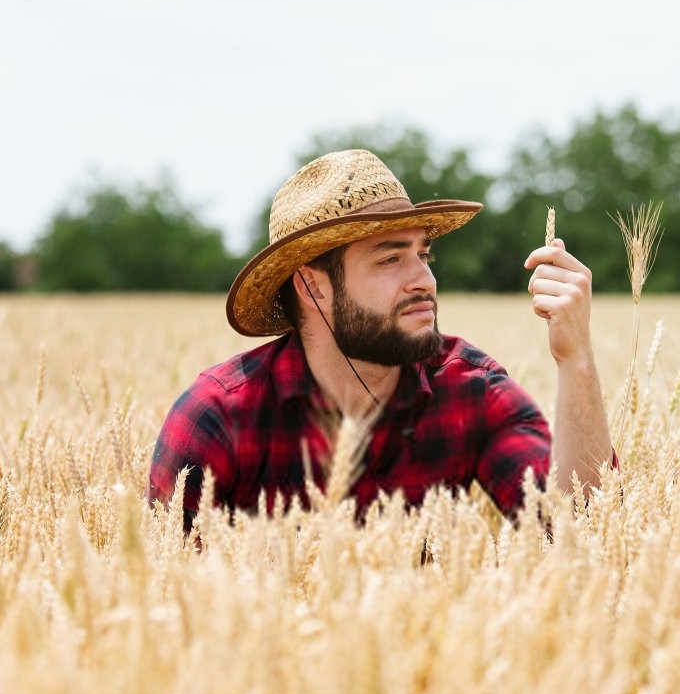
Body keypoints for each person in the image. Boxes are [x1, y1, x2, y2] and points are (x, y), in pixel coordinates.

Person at [148, 148, 614, 529]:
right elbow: (164, 603)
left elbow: (576, 529)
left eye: (423, 255)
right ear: (313, 287)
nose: (424, 280)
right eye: (390, 260)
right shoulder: (219, 419)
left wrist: (576, 360)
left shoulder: (467, 389)